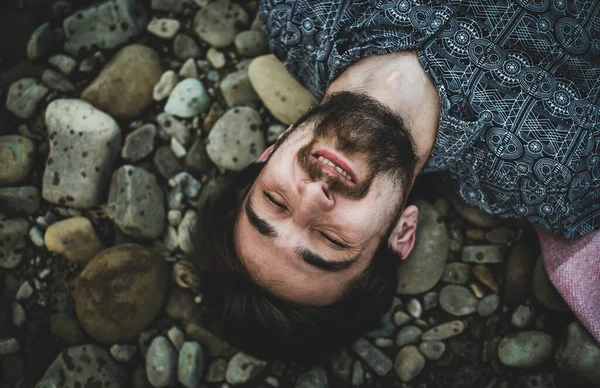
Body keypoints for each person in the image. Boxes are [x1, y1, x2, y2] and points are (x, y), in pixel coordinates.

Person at [190, 0, 600, 361]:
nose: (314, 196)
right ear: (401, 234)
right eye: (331, 240)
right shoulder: (557, 169)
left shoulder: (294, 14)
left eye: (275, 202)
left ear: (268, 154)